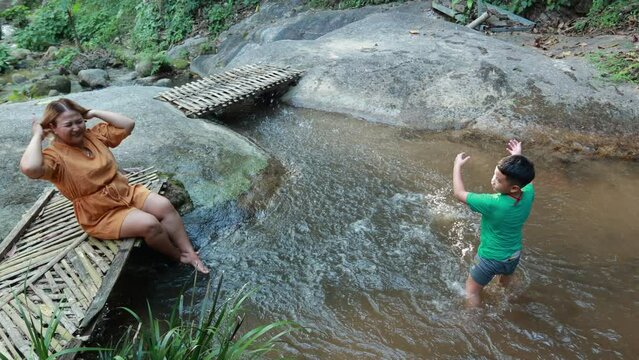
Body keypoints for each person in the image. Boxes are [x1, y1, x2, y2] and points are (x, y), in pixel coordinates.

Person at [20, 98, 209, 274]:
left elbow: (128, 124)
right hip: (100, 213)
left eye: (79, 121)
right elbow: (30, 168)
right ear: (53, 127)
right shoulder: (54, 157)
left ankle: (189, 252)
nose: (77, 128)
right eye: (68, 124)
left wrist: (93, 112)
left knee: (164, 206)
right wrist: (37, 135)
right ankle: (178, 257)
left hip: (125, 192)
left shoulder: (93, 136)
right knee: (150, 224)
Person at [452, 139, 535, 307]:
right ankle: (509, 302)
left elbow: (459, 193)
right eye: (494, 175)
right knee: (504, 286)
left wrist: (457, 166)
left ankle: (471, 324)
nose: (493, 180)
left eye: (498, 179)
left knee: (472, 290)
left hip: (490, 258)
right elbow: (526, 181)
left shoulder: (492, 203)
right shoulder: (528, 193)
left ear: (513, 188)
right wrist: (517, 157)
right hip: (513, 256)